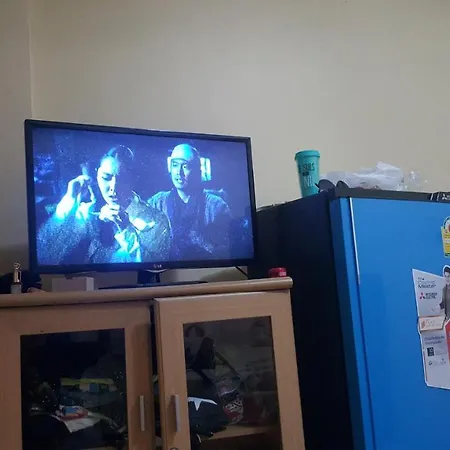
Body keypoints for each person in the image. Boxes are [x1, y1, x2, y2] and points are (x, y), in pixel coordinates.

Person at [38, 146, 171, 264]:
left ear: (133, 180)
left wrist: (126, 230)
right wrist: (70, 199)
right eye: (106, 178)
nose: (113, 188)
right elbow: (45, 255)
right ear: (96, 176)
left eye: (122, 180)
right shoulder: (88, 213)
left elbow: (150, 269)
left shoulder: (156, 221)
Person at [149, 144, 231, 260]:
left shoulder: (216, 206)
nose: (179, 172)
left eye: (185, 166)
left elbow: (224, 251)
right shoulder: (157, 202)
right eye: (175, 165)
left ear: (197, 171)